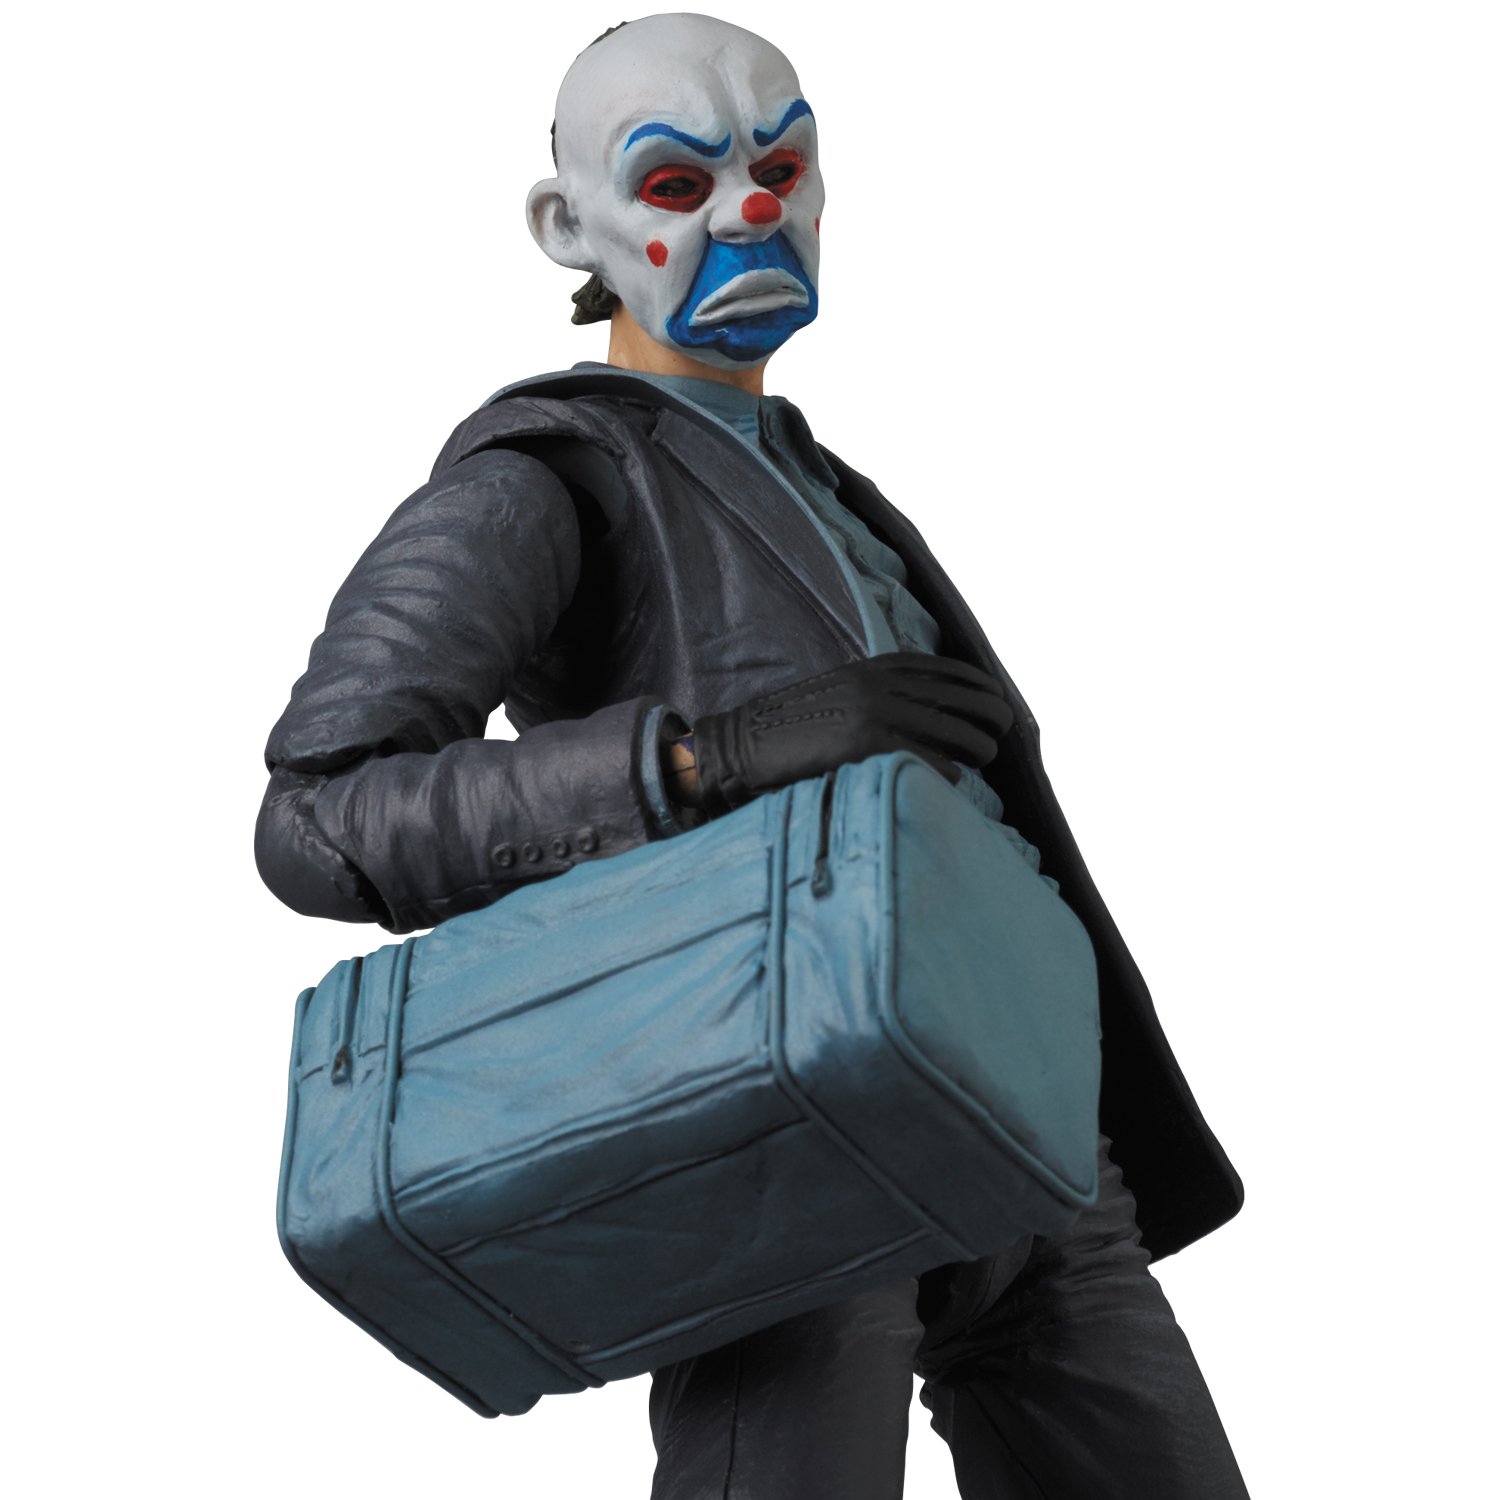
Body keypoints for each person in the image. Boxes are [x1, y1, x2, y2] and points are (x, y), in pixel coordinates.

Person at [258, 13, 1248, 1497]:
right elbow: (319, 819)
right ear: (568, 227)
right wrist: (703, 759)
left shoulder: (827, 489)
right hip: (770, 1098)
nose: (752, 211)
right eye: (679, 183)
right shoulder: (547, 475)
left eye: (782, 168)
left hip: (1022, 1106)